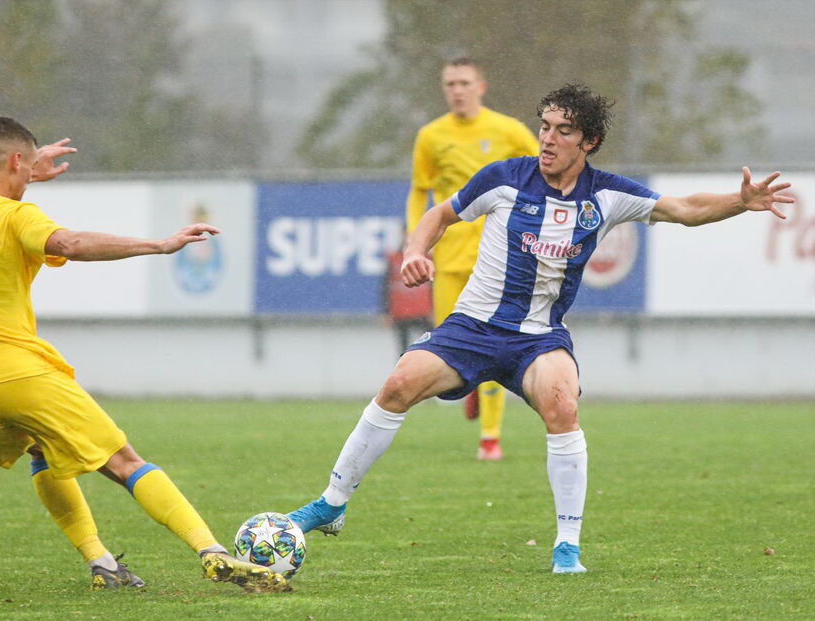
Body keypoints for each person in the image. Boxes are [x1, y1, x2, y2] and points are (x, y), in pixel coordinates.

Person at [288, 84, 793, 573]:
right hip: (473, 328)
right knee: (398, 384)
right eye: (544, 127)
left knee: (562, 404)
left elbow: (683, 209)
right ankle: (332, 503)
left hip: (538, 337)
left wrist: (738, 200)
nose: (547, 139)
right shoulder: (505, 177)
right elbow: (439, 214)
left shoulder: (609, 195)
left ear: (588, 141)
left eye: (562, 130)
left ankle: (567, 548)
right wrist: (418, 251)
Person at [0, 117, 290, 593]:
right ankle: (212, 553)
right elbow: (69, 244)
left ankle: (102, 562)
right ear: (14, 162)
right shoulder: (14, 216)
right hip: (16, 374)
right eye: (27, 169)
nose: (30, 179)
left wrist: (25, 164)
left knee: (42, 452)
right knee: (123, 462)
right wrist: (160, 244)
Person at [406, 57, 538, 460]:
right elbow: (419, 190)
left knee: (498, 346)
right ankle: (472, 388)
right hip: (449, 260)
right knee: (450, 348)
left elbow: (545, 174)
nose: (456, 90)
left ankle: (490, 438)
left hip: (501, 259)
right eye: (450, 84)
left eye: (464, 82)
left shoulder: (509, 130)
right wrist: (418, 242)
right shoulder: (431, 136)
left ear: (481, 86)